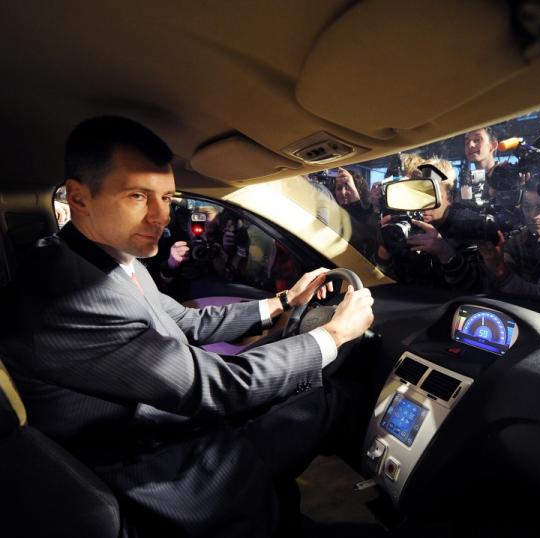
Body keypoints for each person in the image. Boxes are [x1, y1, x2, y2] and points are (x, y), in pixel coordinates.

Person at [0, 116, 375, 537]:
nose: (161, 217)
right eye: (138, 196)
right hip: (160, 474)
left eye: (167, 198)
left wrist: (284, 301)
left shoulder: (100, 258)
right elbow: (215, 388)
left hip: (164, 429)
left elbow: (185, 321)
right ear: (79, 199)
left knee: (300, 401)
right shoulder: (70, 294)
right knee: (335, 400)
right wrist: (335, 334)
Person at [374, 154, 484, 289]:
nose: (422, 203)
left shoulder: (467, 228)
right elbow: (386, 282)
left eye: (430, 195)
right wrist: (385, 247)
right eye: (417, 195)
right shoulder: (408, 226)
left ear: (450, 197)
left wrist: (444, 252)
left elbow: (478, 285)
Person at [480, 177, 540, 297]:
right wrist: (498, 267)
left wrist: (502, 273)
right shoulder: (517, 242)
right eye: (527, 207)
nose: (533, 216)